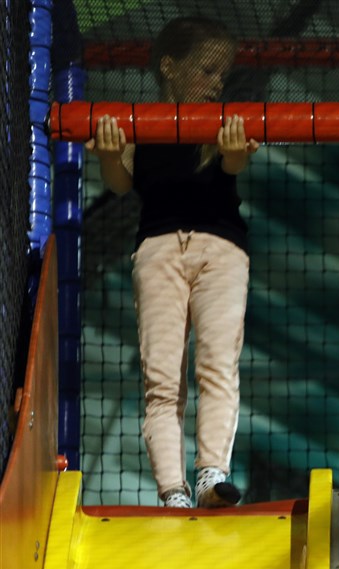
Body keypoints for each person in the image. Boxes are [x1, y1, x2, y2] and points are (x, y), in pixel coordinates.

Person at [85, 16, 260, 509]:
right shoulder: (144, 123)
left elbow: (231, 169)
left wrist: (235, 158)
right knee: (162, 379)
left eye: (221, 74)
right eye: (207, 70)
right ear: (170, 68)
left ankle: (209, 475)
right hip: (158, 249)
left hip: (221, 250)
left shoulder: (222, 125)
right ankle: (172, 493)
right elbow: (122, 184)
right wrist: (109, 155)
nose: (216, 82)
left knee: (217, 366)